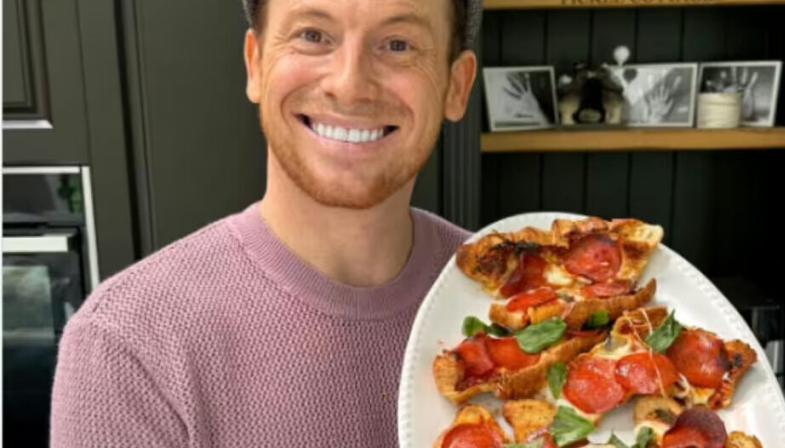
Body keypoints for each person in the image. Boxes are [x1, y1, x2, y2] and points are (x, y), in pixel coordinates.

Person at [49, 0, 480, 446]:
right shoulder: (128, 346)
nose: (350, 86)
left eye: (397, 44)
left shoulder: (523, 298)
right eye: (313, 36)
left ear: (456, 87)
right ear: (255, 64)